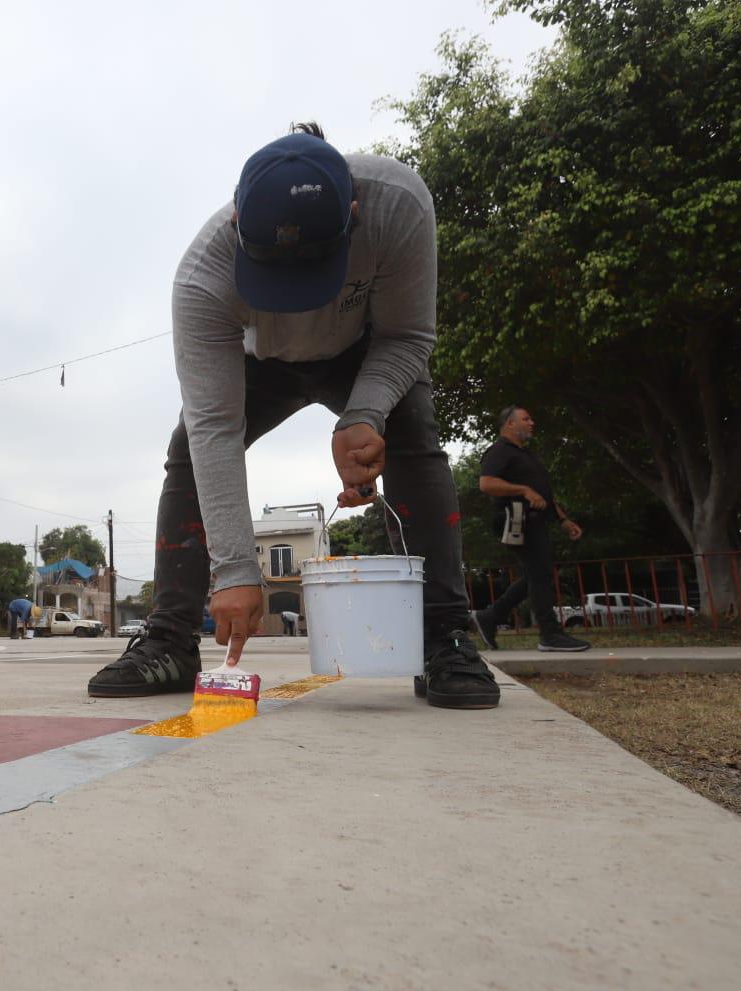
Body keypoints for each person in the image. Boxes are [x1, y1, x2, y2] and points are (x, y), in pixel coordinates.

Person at [87, 123, 501, 709]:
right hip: (260, 363)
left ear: (354, 212)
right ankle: (170, 641)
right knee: (186, 453)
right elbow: (215, 427)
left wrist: (364, 414)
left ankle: (445, 633)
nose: (301, 301)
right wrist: (234, 571)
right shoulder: (203, 278)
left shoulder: (399, 207)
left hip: (367, 349)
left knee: (415, 437)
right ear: (237, 223)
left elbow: (409, 336)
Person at [472, 406, 591, 653]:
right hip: (515, 520)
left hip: (537, 520)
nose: (532, 422)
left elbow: (543, 493)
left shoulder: (526, 455)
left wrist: (563, 520)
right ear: (509, 424)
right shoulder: (499, 451)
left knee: (536, 576)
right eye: (526, 418)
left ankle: (490, 617)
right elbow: (486, 483)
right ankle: (550, 634)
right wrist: (523, 491)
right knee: (541, 574)